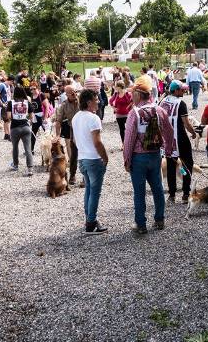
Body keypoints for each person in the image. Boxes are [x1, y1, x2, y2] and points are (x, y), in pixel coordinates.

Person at [122, 77, 175, 235]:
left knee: (139, 192)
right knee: (158, 188)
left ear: (138, 94)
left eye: (133, 93)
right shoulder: (159, 110)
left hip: (138, 157)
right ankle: (159, 219)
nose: (131, 95)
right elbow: (169, 131)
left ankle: (141, 224)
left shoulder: (135, 113)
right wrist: (168, 149)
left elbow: (129, 139)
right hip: (155, 155)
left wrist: (127, 159)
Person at [72, 89, 109, 234]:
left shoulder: (76, 117)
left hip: (82, 158)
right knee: (94, 192)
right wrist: (105, 157)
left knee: (88, 190)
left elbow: (75, 140)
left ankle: (89, 219)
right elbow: (97, 142)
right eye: (96, 99)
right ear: (89, 102)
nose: (99, 102)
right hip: (94, 159)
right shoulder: (93, 118)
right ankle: (91, 223)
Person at [159, 80, 198, 203]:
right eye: (181, 89)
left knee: (171, 166)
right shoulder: (181, 103)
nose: (184, 91)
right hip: (180, 138)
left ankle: (171, 195)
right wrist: (193, 133)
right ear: (175, 90)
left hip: (168, 140)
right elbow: (186, 123)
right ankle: (185, 194)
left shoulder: (162, 102)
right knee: (187, 165)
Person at [5, 86, 36, 177]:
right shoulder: (27, 102)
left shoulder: (11, 103)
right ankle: (30, 168)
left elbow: (9, 117)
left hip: (15, 127)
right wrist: (24, 117)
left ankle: (15, 165)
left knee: (15, 147)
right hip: (26, 127)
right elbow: (31, 116)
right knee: (28, 148)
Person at [56, 85, 81, 186]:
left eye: (74, 91)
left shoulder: (81, 100)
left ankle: (86, 177)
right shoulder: (64, 105)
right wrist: (57, 136)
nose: (74, 93)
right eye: (71, 92)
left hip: (84, 129)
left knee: (86, 153)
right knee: (74, 154)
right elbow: (58, 121)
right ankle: (73, 175)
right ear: (66, 95)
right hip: (73, 130)